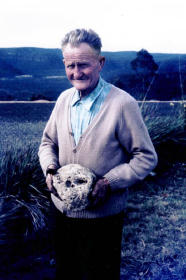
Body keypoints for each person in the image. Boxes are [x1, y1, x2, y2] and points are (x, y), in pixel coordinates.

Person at [38, 28, 158, 280]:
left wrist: (109, 182)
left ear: (100, 63)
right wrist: (50, 169)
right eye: (70, 65)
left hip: (103, 218)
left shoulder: (122, 104)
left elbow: (146, 157)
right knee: (66, 273)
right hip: (62, 213)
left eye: (84, 64)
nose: (76, 72)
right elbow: (47, 143)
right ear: (64, 64)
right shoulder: (63, 100)